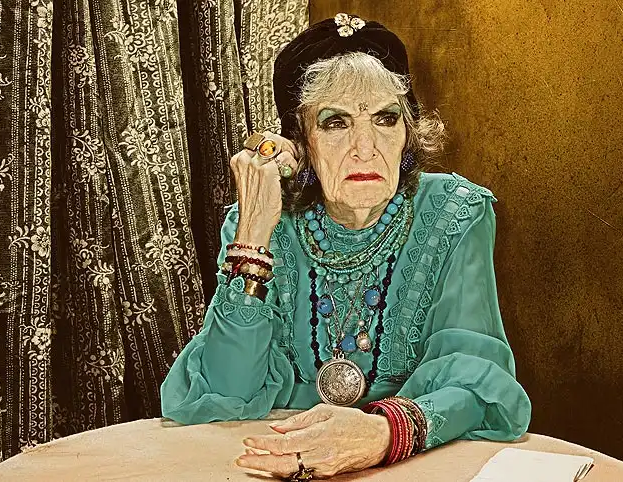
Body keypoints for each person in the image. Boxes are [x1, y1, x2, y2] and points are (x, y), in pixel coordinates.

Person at [161, 13, 531, 480]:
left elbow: (474, 381)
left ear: (407, 134)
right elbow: (224, 392)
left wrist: (383, 433)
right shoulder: (258, 225)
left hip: (408, 464)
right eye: (335, 122)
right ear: (299, 143)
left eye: (385, 118)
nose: (365, 147)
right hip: (278, 459)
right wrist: (253, 235)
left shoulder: (454, 212)